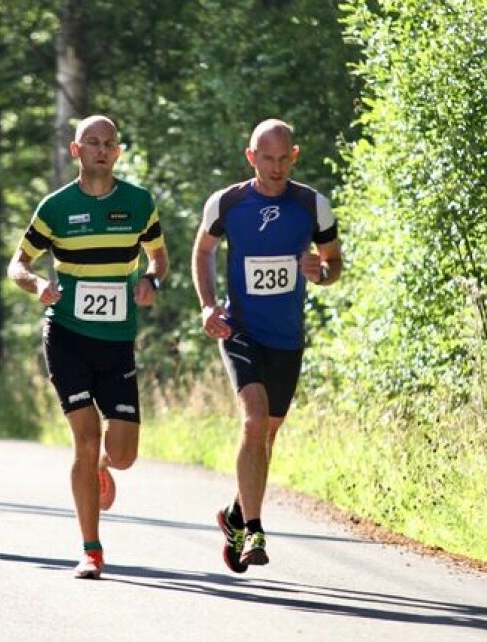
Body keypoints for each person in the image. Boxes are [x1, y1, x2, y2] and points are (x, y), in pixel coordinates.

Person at [8, 115, 168, 579]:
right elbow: (17, 263)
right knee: (85, 438)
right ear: (75, 150)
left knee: (124, 455)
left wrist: (151, 280)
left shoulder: (138, 203)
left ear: (117, 152)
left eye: (108, 143)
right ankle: (91, 550)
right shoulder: (56, 207)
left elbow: (158, 257)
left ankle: (102, 464)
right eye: (92, 143)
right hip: (68, 336)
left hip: (117, 342)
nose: (101, 150)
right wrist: (37, 284)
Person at [191, 118, 342, 573]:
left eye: (283, 159)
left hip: (287, 338)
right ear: (250, 157)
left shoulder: (312, 205)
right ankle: (254, 529)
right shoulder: (227, 203)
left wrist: (322, 273)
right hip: (240, 329)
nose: (275, 168)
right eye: (266, 159)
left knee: (267, 434)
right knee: (254, 420)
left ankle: (236, 514)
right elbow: (203, 251)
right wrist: (208, 305)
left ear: (294, 156)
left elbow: (334, 263)